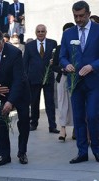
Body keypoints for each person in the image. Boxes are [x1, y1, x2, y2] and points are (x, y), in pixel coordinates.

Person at [0, 30, 30, 165]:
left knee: (24, 122)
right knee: (2, 123)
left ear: (3, 41)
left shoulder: (15, 53)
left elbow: (18, 80)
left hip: (20, 92)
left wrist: (11, 101)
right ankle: (4, 155)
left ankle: (22, 152)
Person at [59, 1, 99, 164]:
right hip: (74, 83)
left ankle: (96, 150)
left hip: (94, 83)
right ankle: (82, 152)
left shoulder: (98, 30)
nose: (78, 19)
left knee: (92, 116)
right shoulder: (68, 33)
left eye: (81, 16)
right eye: (75, 16)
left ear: (89, 14)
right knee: (78, 118)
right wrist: (66, 64)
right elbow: (62, 56)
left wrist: (92, 66)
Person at [24, 24, 59, 133]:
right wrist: (25, 77)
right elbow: (25, 63)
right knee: (34, 102)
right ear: (35, 33)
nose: (40, 33)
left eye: (42, 31)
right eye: (38, 31)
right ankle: (33, 123)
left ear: (46, 32)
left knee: (50, 102)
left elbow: (56, 59)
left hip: (48, 77)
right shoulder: (29, 45)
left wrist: (54, 64)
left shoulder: (52, 43)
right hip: (33, 78)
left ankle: (52, 126)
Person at [51, 22, 75, 141]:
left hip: (76, 78)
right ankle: (63, 129)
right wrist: (63, 68)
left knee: (76, 103)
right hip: (63, 78)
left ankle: (76, 129)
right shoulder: (60, 48)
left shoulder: (78, 45)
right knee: (62, 103)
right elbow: (54, 66)